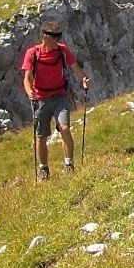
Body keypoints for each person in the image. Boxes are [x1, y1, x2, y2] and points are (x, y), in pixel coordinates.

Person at [22, 21, 91, 178]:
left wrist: (84, 80)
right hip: (41, 99)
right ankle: (44, 169)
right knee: (41, 136)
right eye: (56, 37)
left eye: (59, 37)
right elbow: (27, 77)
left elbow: (75, 68)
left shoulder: (62, 50)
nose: (58, 40)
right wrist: (29, 91)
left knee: (64, 128)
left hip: (60, 96)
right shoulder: (33, 53)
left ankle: (69, 164)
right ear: (46, 37)